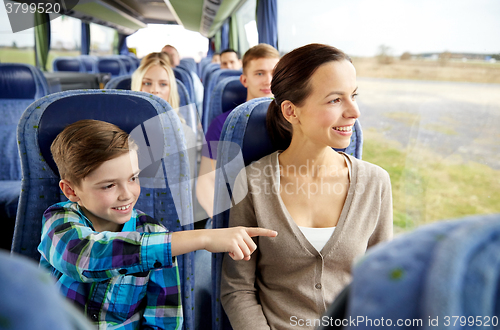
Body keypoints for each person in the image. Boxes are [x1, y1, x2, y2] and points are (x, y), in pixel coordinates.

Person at [38, 119, 277, 329]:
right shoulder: (58, 221)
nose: (127, 194)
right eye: (109, 185)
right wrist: (202, 238)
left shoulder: (154, 233)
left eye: (133, 178)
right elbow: (86, 256)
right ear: (71, 190)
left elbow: (164, 319)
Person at [220, 43, 393, 330]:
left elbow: (383, 284)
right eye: (335, 100)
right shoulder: (252, 182)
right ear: (291, 111)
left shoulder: (375, 183)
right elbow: (237, 289)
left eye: (353, 96)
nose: (354, 112)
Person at [196, 43, 280, 218]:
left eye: (274, 73)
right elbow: (206, 182)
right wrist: (222, 223)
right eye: (259, 73)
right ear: (244, 80)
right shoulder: (223, 123)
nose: (268, 80)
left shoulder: (294, 121)